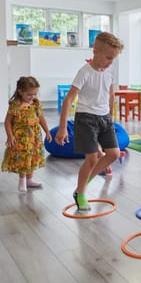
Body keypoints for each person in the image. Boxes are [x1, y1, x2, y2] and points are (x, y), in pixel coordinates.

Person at [55, 32, 124, 212]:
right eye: (108, 57)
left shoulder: (109, 71)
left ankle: (84, 184)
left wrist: (111, 116)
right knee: (92, 158)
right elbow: (68, 99)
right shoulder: (84, 72)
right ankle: (81, 192)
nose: (110, 62)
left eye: (113, 58)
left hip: (105, 118)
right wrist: (62, 129)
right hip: (86, 117)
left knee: (114, 154)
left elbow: (111, 93)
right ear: (96, 52)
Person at [2, 76, 52, 193]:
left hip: (34, 136)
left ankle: (29, 179)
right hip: (21, 137)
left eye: (35, 94)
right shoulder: (15, 105)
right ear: (20, 91)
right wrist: (10, 136)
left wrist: (47, 131)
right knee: (23, 158)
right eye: (29, 94)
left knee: (32, 156)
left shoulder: (36, 104)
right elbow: (7, 122)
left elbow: (41, 118)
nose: (32, 97)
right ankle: (22, 180)